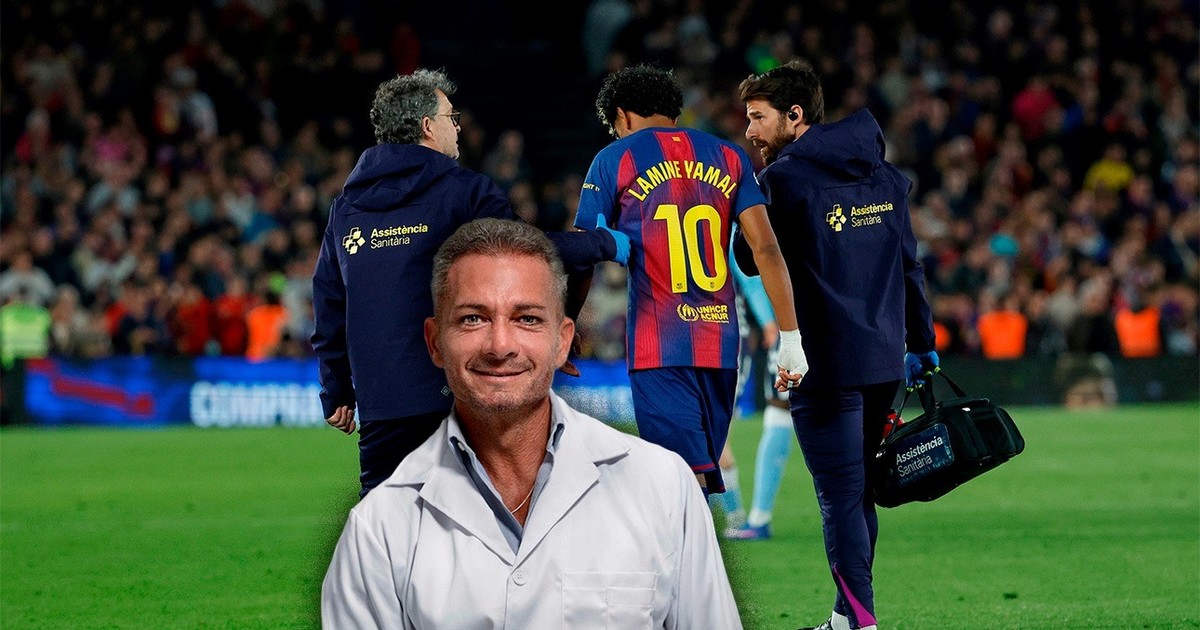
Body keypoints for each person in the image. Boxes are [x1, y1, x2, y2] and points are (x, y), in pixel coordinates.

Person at [321, 218, 741, 629]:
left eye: (527, 319)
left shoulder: (665, 487)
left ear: (563, 342)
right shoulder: (377, 530)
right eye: (473, 318)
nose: (500, 346)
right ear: (434, 342)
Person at [312, 69, 628, 497]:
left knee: (387, 524)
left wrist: (336, 388)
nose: (457, 127)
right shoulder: (463, 192)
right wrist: (604, 243)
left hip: (380, 404)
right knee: (476, 520)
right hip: (454, 394)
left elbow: (330, 303)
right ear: (428, 126)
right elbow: (527, 251)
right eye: (451, 117)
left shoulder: (346, 208)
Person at [735, 60, 938, 630]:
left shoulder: (784, 181)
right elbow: (909, 267)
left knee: (841, 499)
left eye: (758, 117)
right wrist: (922, 343)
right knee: (860, 495)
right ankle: (846, 615)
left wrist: (748, 198)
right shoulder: (884, 176)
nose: (749, 131)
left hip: (822, 364)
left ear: (795, 116)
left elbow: (749, 258)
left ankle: (858, 622)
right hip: (883, 361)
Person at [573, 63, 807, 498]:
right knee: (695, 482)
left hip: (660, 347)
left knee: (678, 484)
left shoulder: (615, 158)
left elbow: (584, 251)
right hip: (721, 346)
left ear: (622, 116)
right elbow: (766, 248)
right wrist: (790, 337)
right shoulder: (729, 156)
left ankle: (688, 546)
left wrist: (566, 322)